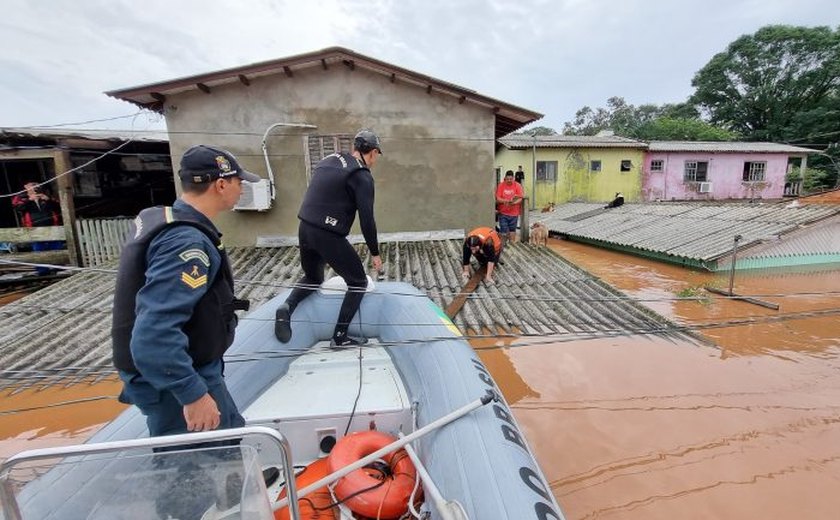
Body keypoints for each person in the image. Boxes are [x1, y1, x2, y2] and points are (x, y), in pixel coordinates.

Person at [110, 145, 270, 517]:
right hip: (176, 376)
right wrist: (191, 393)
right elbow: (153, 333)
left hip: (188, 367)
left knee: (229, 436)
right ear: (219, 185)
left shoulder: (168, 221)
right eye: (236, 182)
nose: (240, 189)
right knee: (188, 470)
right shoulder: (187, 243)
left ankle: (235, 497)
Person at [274, 129, 383, 347]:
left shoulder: (331, 159)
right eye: (377, 155)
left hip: (305, 226)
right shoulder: (361, 176)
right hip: (327, 233)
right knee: (358, 282)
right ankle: (340, 336)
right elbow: (367, 220)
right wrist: (375, 253)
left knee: (313, 278)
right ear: (371, 153)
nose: (375, 160)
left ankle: (286, 308)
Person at [11, 182, 64, 274]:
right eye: (31, 187)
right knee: (39, 249)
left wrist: (48, 199)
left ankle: (58, 268)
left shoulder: (45, 195)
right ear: (26, 188)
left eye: (36, 186)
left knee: (56, 247)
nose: (34, 189)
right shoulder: (21, 197)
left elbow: (59, 206)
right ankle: (43, 270)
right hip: (34, 228)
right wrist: (29, 200)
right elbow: (18, 208)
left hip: (51, 226)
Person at [495, 170, 524, 250]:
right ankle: (502, 247)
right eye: (507, 179)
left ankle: (512, 246)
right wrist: (506, 201)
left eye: (511, 179)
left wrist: (513, 203)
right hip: (503, 212)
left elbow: (520, 198)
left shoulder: (517, 185)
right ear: (505, 178)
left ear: (513, 178)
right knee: (503, 230)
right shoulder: (501, 185)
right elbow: (498, 198)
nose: (509, 181)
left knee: (512, 230)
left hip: (514, 213)